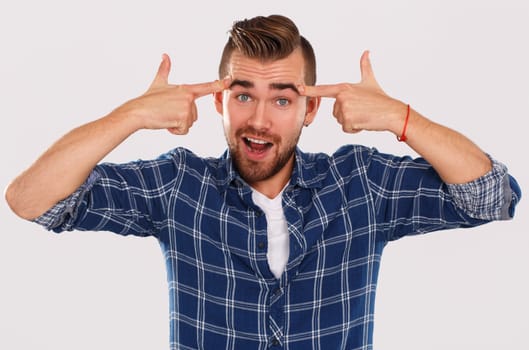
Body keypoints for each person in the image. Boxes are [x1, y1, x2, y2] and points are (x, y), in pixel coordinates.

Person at [5, 14, 521, 350]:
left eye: (281, 98)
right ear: (220, 104)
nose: (259, 119)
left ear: (309, 108)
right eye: (243, 94)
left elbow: (492, 198)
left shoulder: (360, 183)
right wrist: (130, 115)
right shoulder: (178, 185)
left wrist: (402, 119)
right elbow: (31, 200)